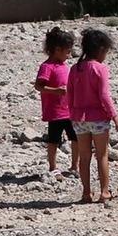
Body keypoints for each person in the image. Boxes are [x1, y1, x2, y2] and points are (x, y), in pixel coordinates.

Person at [67, 29, 118, 203]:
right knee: (102, 154)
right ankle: (104, 192)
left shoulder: (75, 69)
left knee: (84, 156)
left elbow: (69, 93)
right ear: (100, 49)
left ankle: (86, 192)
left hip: (78, 119)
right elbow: (104, 96)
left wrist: (72, 114)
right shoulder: (100, 69)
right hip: (98, 118)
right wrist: (114, 115)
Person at [34, 27, 79, 180]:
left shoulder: (64, 66)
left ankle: (74, 166)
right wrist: (55, 90)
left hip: (70, 110)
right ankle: (53, 167)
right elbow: (38, 86)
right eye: (67, 51)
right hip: (55, 112)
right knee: (54, 140)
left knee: (76, 138)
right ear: (57, 49)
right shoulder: (47, 67)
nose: (69, 55)